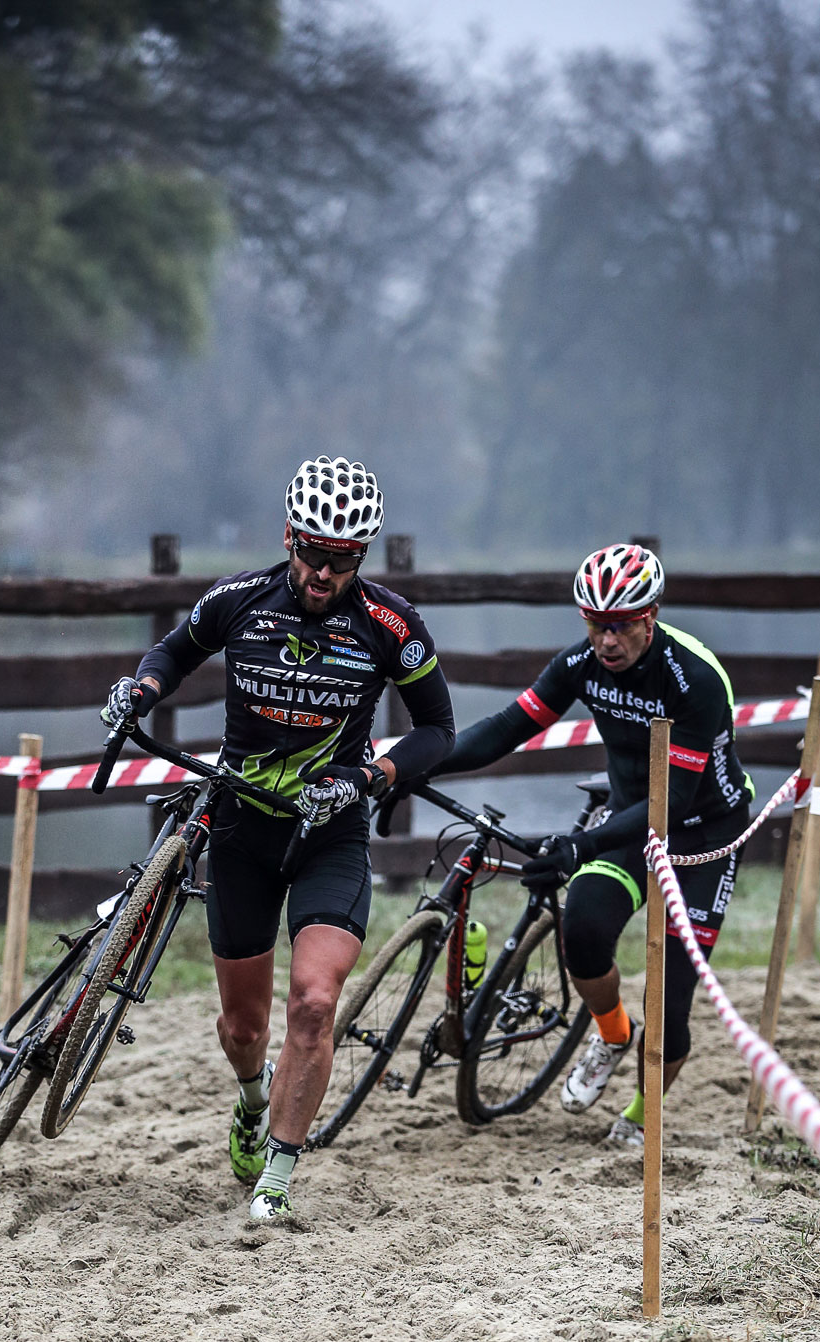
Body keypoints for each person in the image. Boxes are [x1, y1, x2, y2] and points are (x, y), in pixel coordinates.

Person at [101, 456, 455, 1218]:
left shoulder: (391, 624)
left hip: (330, 836)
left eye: (343, 559)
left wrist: (368, 781)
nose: (324, 572)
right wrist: (142, 691)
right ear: (289, 537)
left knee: (315, 1002)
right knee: (244, 1027)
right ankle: (252, 1102)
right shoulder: (240, 599)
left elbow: (437, 731)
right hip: (242, 830)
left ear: (362, 556)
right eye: (312, 553)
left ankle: (279, 1180)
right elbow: (171, 652)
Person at [433, 542, 753, 1147]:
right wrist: (415, 767)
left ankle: (637, 1117)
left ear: (649, 615)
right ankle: (611, 1034)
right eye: (595, 623)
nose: (607, 640)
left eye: (622, 625)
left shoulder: (695, 678)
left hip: (704, 834)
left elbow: (674, 803)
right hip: (631, 820)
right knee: (582, 929)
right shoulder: (580, 663)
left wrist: (579, 848)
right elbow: (506, 728)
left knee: (672, 1002)